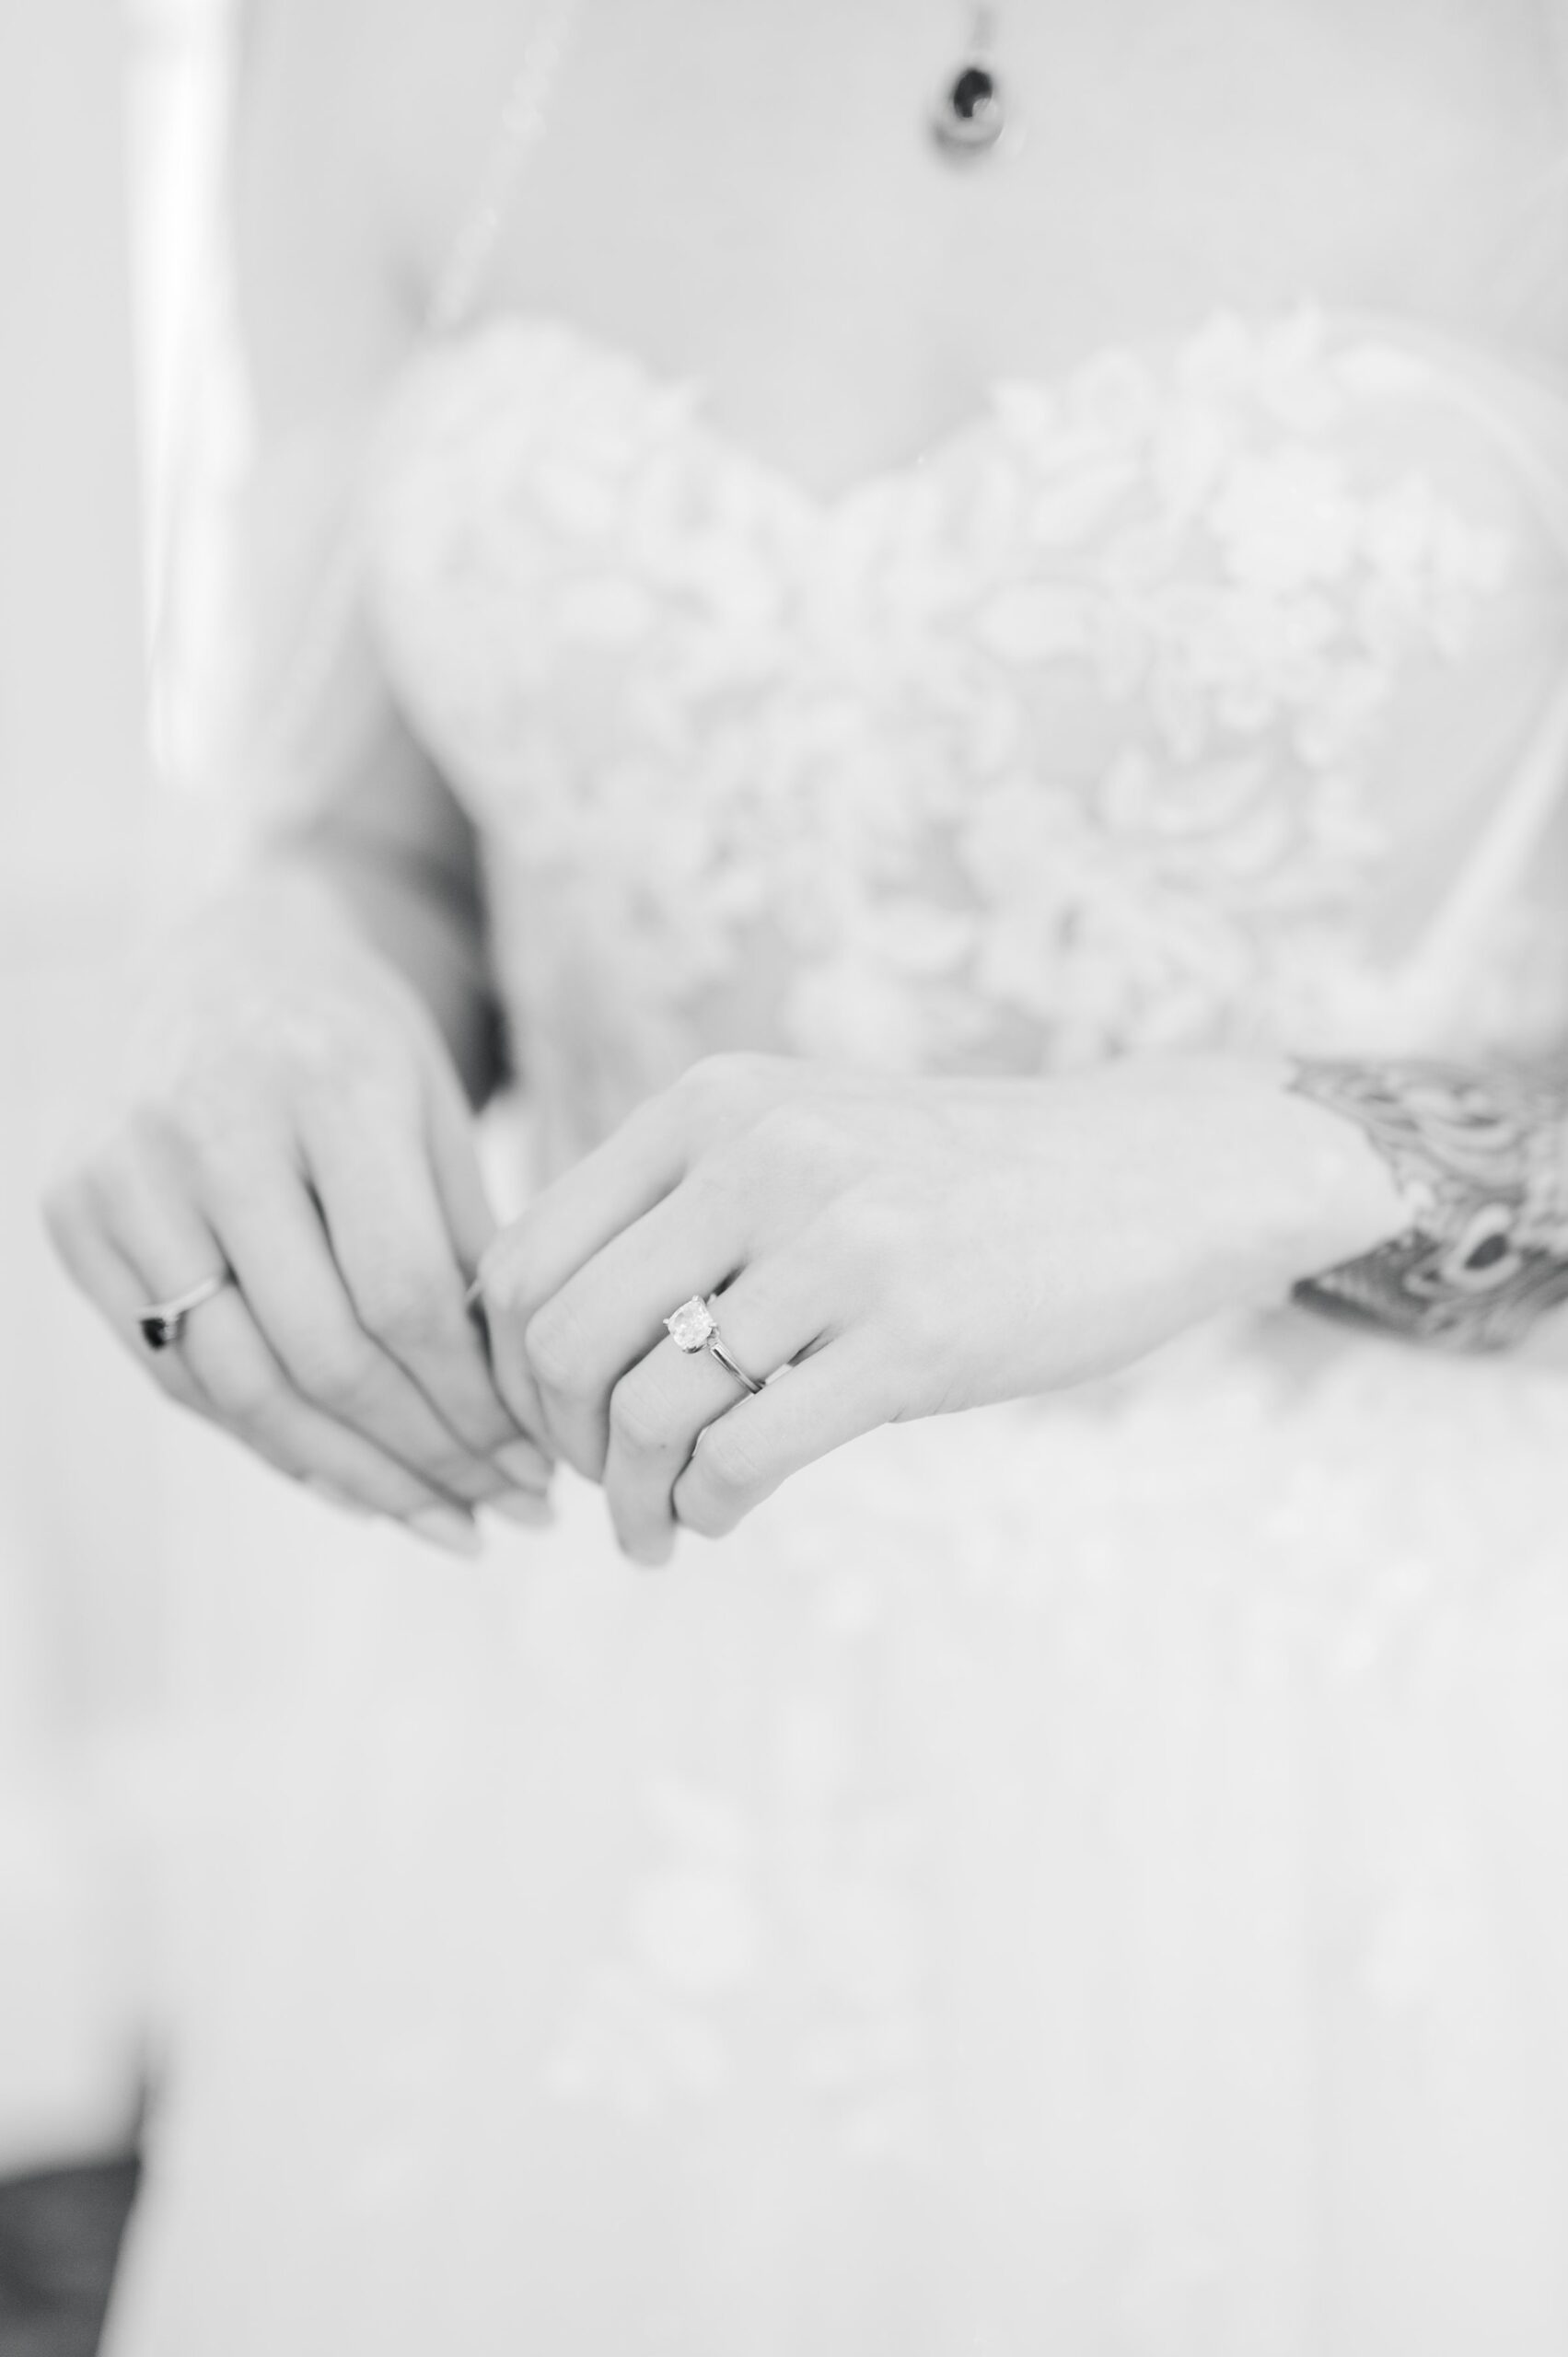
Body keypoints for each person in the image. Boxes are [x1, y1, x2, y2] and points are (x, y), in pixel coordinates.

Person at [42, 0, 1568, 2346]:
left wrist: (1273, 1146)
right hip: (592, 1736)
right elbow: (377, 829)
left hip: (1368, 1805)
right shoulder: (363, 37)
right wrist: (273, 964)